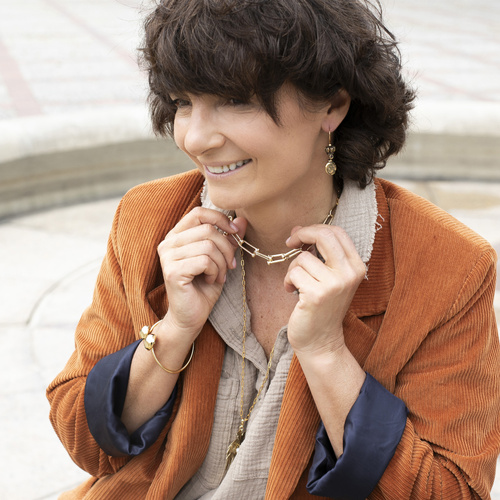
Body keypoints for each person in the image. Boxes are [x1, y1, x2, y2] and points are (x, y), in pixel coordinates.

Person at [47, 0, 500, 498]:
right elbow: (83, 439)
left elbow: (450, 491)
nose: (195, 138)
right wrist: (174, 331)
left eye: (234, 100)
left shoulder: (446, 266)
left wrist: (327, 353)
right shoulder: (149, 217)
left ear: (333, 105)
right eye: (182, 102)